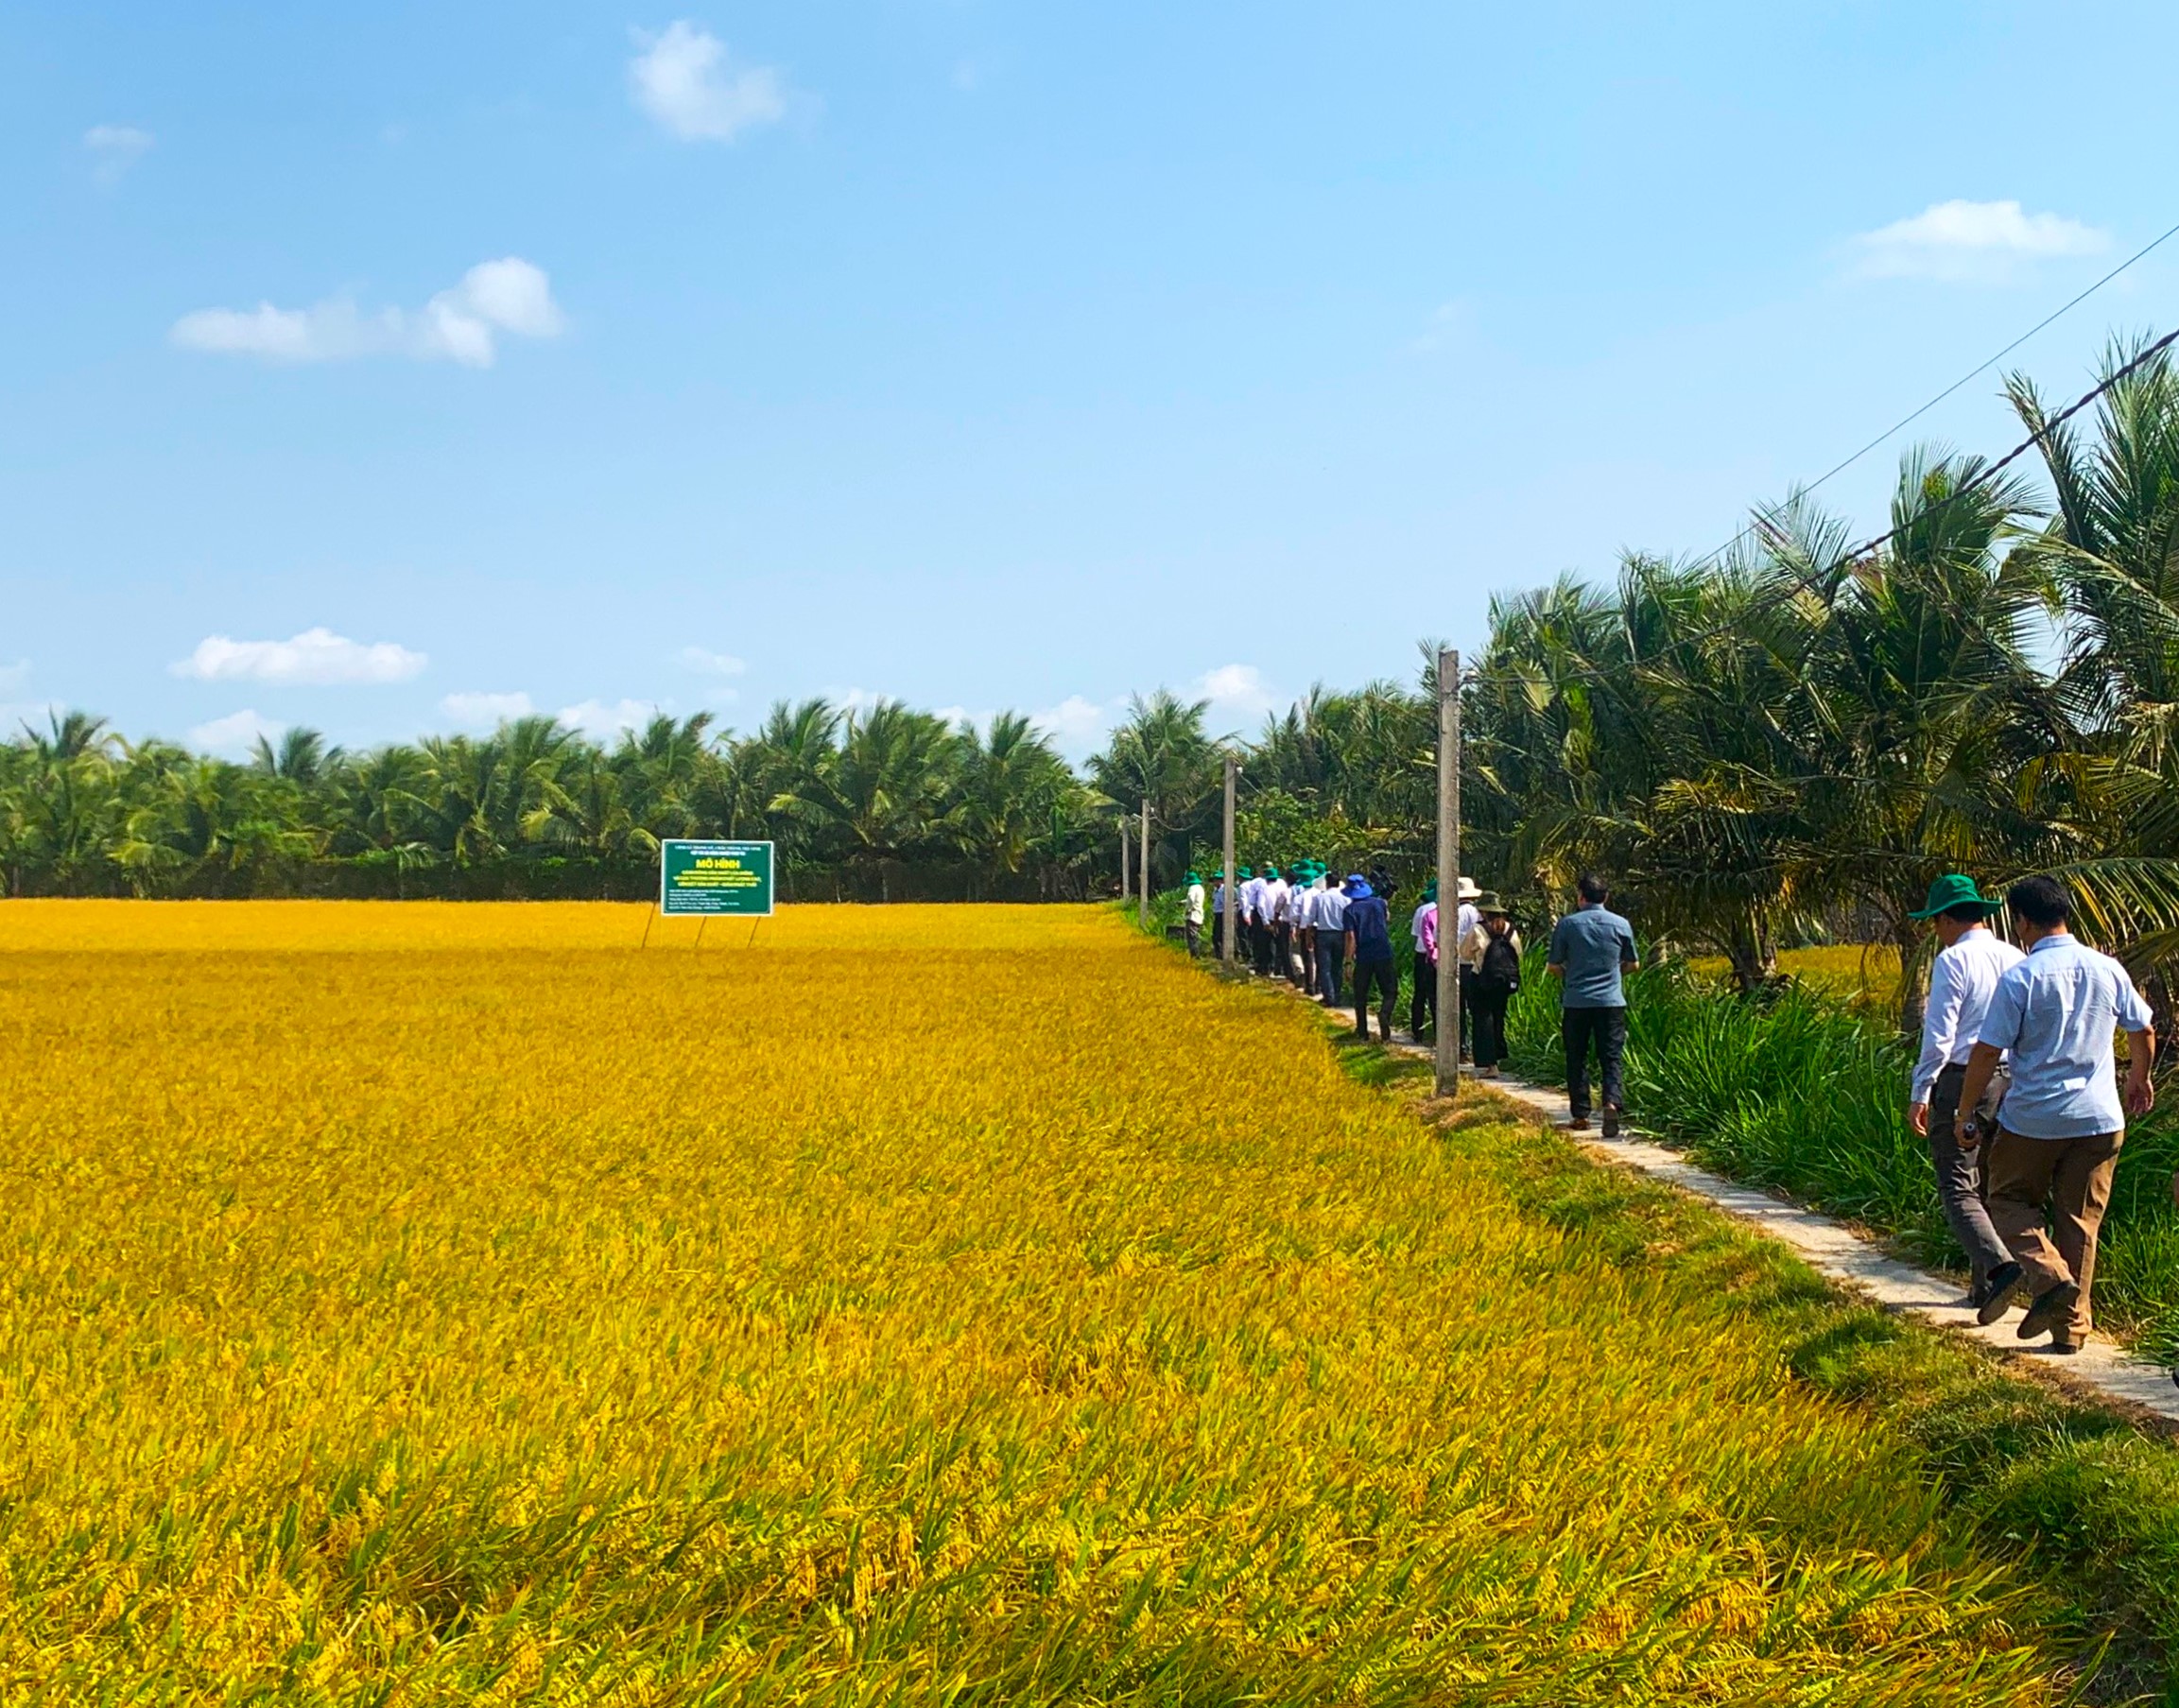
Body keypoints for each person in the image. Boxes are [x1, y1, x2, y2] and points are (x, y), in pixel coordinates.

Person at [1956, 875, 2156, 1352]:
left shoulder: (2022, 977)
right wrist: (2138, 1078)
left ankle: (2049, 1279)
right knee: (2080, 1221)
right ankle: (2071, 1331)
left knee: (2005, 1201)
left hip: (2034, 1119)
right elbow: (2142, 1028)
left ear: (2022, 920)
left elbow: (1987, 1052)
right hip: (2101, 1118)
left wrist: (1966, 1110)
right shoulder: (2106, 968)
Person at [1905, 874, 2023, 1306]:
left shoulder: (1952, 960)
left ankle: (1999, 1266)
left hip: (1962, 1078)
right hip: (2012, 1078)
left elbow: (1939, 1035)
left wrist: (1922, 1090)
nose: (1936, 931)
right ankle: (1982, 1288)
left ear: (1948, 919)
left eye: (1936, 922)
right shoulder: (2015, 957)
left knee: (1957, 1183)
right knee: (1990, 1182)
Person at [1546, 873, 1639, 1136]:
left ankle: (1581, 1114)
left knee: (1577, 1057)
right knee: (1611, 1057)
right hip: (1611, 1002)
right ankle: (1611, 1102)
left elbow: (1553, 965)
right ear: (1606, 897)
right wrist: (1615, 975)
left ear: (1580, 897)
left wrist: (1571, 976)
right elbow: (1633, 963)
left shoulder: (1567, 925)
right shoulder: (1620, 924)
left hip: (1576, 1001)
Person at [1466, 894, 1522, 1078]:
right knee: (1499, 1018)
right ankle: (1498, 1058)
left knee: (1483, 1020)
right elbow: (1518, 953)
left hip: (1482, 980)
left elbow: (1464, 952)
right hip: (1504, 982)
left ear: (1483, 911)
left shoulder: (1478, 929)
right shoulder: (1511, 930)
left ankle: (1489, 1064)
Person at [1344, 873, 1398, 1044]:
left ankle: (1362, 1032)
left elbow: (1351, 937)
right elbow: (1387, 919)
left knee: (1360, 994)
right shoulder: (1380, 903)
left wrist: (1348, 961)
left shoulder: (1350, 911)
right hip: (1383, 952)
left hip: (1364, 956)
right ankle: (1385, 1014)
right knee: (1390, 991)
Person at [1453, 877, 1482, 1060]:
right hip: (1477, 966)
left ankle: (1462, 1048)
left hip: (1459, 965)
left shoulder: (1453, 914)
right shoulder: (1479, 914)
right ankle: (1478, 1049)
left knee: (1459, 1009)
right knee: (1477, 1009)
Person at [1409, 881, 1439, 1041]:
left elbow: (1415, 934)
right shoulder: (1447, 910)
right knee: (1437, 997)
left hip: (1422, 955)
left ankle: (1417, 1031)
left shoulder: (1422, 910)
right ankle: (1438, 1033)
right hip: (1440, 956)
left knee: (1420, 994)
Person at [1315, 869, 1349, 1006]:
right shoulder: (1346, 898)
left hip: (1323, 934)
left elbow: (1312, 916)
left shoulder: (1320, 897)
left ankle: (1329, 996)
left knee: (1325, 967)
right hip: (1340, 934)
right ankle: (1337, 995)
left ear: (1327, 883)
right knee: (1337, 966)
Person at [1262, 865, 1291, 981]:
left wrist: (1265, 921)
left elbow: (1261, 905)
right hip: (1283, 920)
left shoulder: (1265, 889)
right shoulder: (1283, 886)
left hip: (1271, 918)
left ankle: (1271, 968)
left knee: (1270, 945)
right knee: (1282, 945)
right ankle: (1282, 969)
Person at [1183, 870, 1206, 958]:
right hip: (1199, 914)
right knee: (1195, 934)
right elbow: (1194, 900)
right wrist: (1183, 902)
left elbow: (1191, 899)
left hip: (1192, 915)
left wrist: (1188, 909)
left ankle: (1195, 954)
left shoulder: (1192, 888)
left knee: (1191, 936)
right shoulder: (1200, 888)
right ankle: (1196, 953)